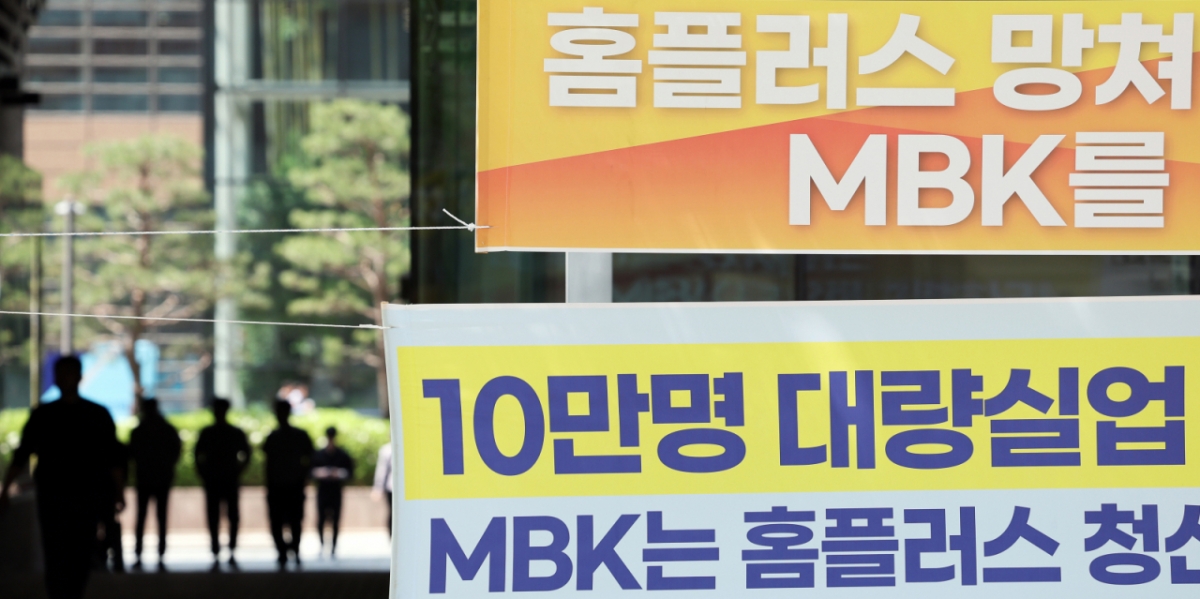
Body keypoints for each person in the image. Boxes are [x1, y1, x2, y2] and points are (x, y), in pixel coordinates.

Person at [0, 356, 121, 599]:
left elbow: (112, 458)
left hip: (70, 495)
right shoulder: (94, 414)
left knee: (67, 551)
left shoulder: (48, 414)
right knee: (66, 551)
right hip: (65, 495)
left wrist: (117, 492)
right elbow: (112, 459)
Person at [194, 398, 250, 571]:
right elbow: (247, 453)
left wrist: (204, 473)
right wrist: (238, 470)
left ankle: (218, 550)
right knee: (229, 515)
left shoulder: (209, 433)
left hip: (216, 479)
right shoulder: (233, 432)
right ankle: (228, 549)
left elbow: (198, 455)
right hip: (228, 479)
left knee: (216, 515)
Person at [129, 398, 182, 571]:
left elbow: (132, 453)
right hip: (161, 479)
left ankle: (139, 554)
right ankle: (160, 554)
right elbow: (176, 450)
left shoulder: (139, 431)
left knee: (142, 517)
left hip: (145, 479)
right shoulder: (166, 429)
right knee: (161, 517)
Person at [263, 400, 314, 569]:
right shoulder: (297, 436)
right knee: (292, 520)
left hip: (284, 486)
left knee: (283, 521)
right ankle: (290, 551)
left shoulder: (274, 437)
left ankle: (285, 552)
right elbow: (310, 459)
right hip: (290, 485)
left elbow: (268, 464)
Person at [312, 426, 354, 557]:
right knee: (321, 520)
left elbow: (350, 472)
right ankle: (322, 545)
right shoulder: (319, 454)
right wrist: (321, 473)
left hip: (335, 491)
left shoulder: (342, 454)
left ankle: (333, 547)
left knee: (335, 520)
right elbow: (311, 471)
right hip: (323, 490)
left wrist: (338, 473)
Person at [372, 442, 393, 536]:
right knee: (393, 513)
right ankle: (392, 537)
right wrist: (378, 488)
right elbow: (382, 470)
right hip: (391, 488)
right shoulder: (387, 450)